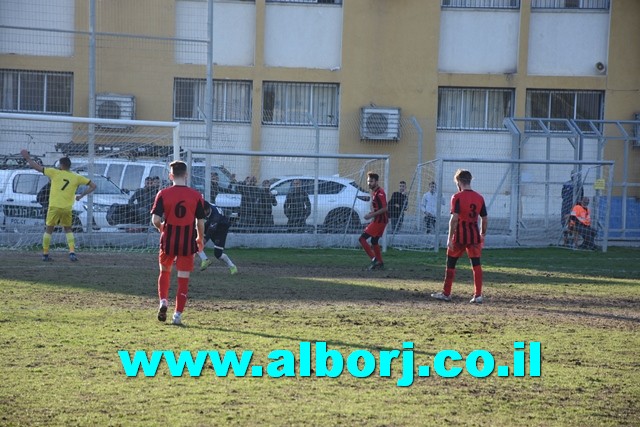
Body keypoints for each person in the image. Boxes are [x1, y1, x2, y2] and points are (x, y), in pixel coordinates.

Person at [151, 160, 206, 326]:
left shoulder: (163, 193)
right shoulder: (196, 196)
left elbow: (155, 219)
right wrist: (200, 238)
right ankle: (177, 316)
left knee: (164, 272)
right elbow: (200, 222)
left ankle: (163, 301)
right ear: (186, 175)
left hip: (168, 239)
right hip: (187, 241)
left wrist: (162, 228)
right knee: (183, 278)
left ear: (170, 175)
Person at [20, 149, 96, 262]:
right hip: (67, 208)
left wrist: (27, 158)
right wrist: (81, 196)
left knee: (49, 230)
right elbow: (93, 186)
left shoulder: (54, 173)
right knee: (68, 230)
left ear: (61, 165)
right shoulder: (76, 177)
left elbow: (37, 167)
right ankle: (72, 253)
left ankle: (45, 254)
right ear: (69, 166)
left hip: (54, 207)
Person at [431, 169, 487, 304]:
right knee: (476, 264)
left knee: (451, 263)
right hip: (474, 236)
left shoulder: (456, 197)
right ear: (469, 180)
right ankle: (478, 295)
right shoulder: (479, 197)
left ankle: (446, 293)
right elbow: (484, 219)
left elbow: (454, 219)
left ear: (459, 182)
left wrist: (449, 238)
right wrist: (482, 234)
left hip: (460, 236)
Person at [197, 201, 238, 274]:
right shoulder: (207, 207)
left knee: (218, 254)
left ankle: (232, 267)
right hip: (211, 223)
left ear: (206, 210)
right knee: (195, 239)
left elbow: (211, 230)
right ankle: (205, 260)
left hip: (221, 229)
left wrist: (205, 239)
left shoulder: (215, 216)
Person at [359, 172, 388, 270]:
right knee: (374, 241)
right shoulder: (375, 192)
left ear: (376, 181)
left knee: (362, 239)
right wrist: (372, 213)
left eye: (371, 181)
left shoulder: (380, 193)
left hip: (380, 221)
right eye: (368, 181)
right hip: (380, 220)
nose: (369, 183)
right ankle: (380, 263)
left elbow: (385, 209)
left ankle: (374, 259)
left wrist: (371, 215)